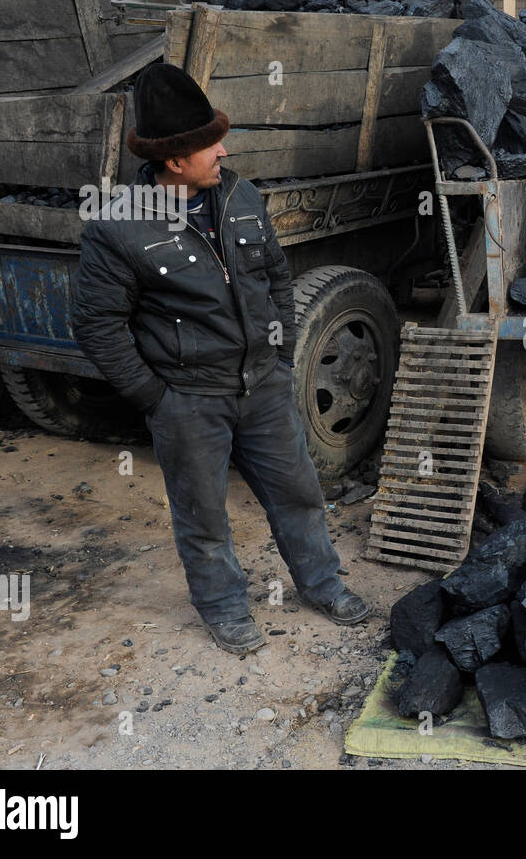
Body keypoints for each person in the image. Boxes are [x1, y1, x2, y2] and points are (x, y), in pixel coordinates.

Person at [71, 63, 369, 655]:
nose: (224, 150)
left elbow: (276, 278)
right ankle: (224, 607)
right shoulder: (117, 227)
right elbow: (96, 325)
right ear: (175, 160)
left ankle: (322, 584)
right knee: (203, 516)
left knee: (299, 493)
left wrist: (278, 356)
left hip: (262, 386)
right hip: (188, 401)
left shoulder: (240, 195)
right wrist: (157, 399)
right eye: (210, 144)